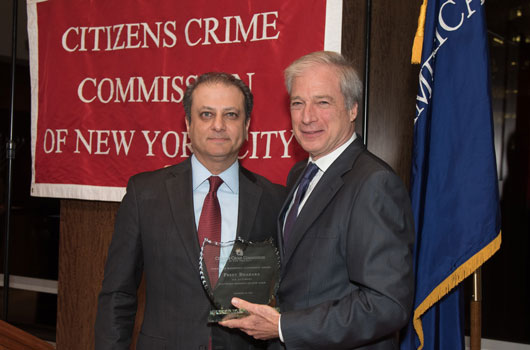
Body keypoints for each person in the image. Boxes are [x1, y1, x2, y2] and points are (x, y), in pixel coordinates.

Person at [220, 51, 415, 349]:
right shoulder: (301, 173)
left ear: (352, 109)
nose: (307, 117)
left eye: (323, 102)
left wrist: (284, 327)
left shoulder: (374, 183)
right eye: (298, 103)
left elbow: (387, 304)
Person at [95, 72, 286, 350]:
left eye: (231, 115)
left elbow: (286, 295)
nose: (218, 125)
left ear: (246, 126)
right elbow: (118, 294)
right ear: (188, 124)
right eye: (206, 114)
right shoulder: (145, 194)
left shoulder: (274, 199)